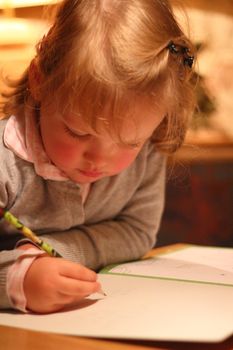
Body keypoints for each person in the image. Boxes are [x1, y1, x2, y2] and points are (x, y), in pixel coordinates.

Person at [0, 0, 195, 314]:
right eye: (77, 133)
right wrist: (14, 279)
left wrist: (58, 251)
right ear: (40, 82)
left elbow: (137, 231)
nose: (99, 160)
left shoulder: (149, 150)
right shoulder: (5, 164)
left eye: (129, 142)